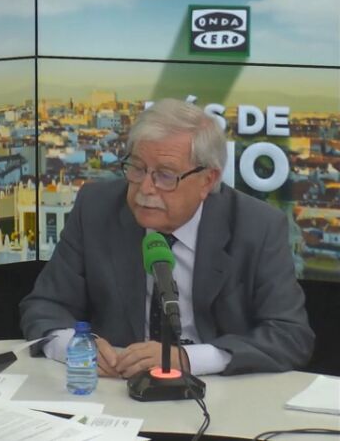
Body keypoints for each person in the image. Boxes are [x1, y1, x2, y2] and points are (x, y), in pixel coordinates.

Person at [20, 98, 313, 378]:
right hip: (116, 386)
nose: (146, 188)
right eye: (137, 169)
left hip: (215, 388)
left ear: (208, 180)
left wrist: (189, 359)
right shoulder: (96, 208)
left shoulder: (257, 227)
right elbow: (45, 306)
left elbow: (290, 335)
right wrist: (75, 347)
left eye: (166, 175)